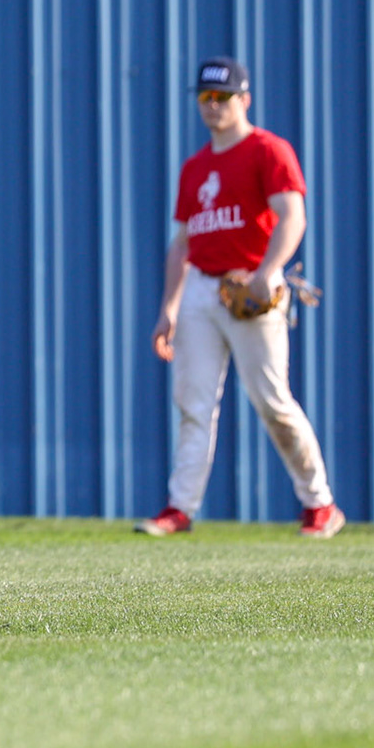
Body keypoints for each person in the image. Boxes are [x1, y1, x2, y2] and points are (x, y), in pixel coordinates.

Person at [142, 57, 345, 538]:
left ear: (244, 99)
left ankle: (320, 505)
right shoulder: (195, 167)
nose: (213, 106)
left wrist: (267, 273)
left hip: (253, 287)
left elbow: (293, 217)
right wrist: (167, 309)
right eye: (205, 98)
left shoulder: (268, 150)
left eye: (223, 97)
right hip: (200, 289)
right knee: (192, 402)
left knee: (272, 400)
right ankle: (179, 508)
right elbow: (181, 243)